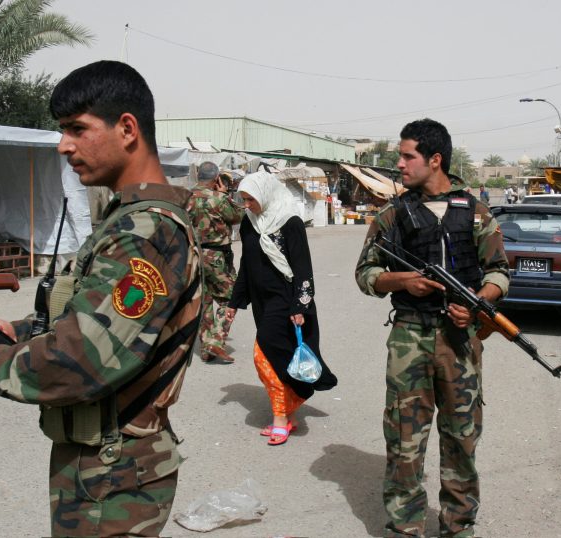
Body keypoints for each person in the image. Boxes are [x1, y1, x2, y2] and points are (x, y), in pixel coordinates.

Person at [0, 61, 202, 537]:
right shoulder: (129, 220)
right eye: (63, 131)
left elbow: (81, 359)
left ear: (126, 129)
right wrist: (16, 332)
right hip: (103, 463)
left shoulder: (146, 233)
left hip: (115, 474)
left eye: (77, 129)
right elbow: (89, 316)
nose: (64, 146)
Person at [355, 118, 510, 538]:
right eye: (400, 156)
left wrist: (478, 305)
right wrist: (403, 280)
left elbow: (499, 271)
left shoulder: (475, 212)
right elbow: (365, 273)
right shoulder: (392, 214)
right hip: (409, 337)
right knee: (404, 441)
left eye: (408, 156)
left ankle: (458, 527)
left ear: (435, 159)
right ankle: (405, 527)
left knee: (461, 439)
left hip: (460, 342)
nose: (400, 165)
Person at [225, 171, 337, 446]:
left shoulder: (291, 223)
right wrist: (234, 303)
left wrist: (300, 305)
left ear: (265, 194)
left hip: (286, 301)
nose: (247, 204)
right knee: (280, 358)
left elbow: (302, 269)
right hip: (262, 302)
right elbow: (246, 268)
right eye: (244, 199)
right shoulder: (249, 223)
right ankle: (290, 410)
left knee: (262, 355)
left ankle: (279, 417)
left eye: (251, 199)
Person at [186, 161, 243, 363]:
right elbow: (238, 216)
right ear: (216, 177)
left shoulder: (185, 198)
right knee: (231, 298)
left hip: (193, 256)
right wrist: (225, 193)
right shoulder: (218, 199)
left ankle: (206, 347)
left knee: (205, 300)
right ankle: (216, 342)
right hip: (217, 257)